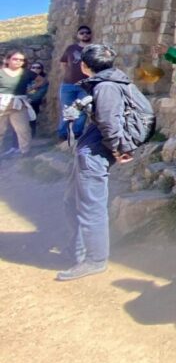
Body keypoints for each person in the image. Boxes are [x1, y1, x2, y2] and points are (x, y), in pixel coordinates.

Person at [58, 44, 136, 282]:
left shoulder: (106, 88)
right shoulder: (107, 84)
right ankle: (81, 250)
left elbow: (110, 124)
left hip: (94, 154)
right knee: (73, 200)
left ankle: (95, 259)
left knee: (91, 206)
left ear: (83, 66)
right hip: (89, 150)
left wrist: (118, 149)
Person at [58, 25, 93, 140]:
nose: (85, 34)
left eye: (87, 32)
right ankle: (63, 134)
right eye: (82, 33)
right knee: (67, 108)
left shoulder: (93, 49)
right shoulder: (71, 48)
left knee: (82, 109)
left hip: (85, 85)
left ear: (90, 35)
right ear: (78, 35)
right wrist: (68, 74)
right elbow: (63, 62)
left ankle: (77, 133)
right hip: (68, 84)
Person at [0, 49, 32, 156]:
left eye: (21, 60)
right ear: (8, 60)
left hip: (19, 103)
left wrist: (31, 90)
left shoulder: (26, 73)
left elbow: (42, 80)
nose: (18, 61)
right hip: (2, 103)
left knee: (23, 129)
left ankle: (25, 153)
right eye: (15, 59)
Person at [25, 61, 49, 136]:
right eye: (33, 67)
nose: (35, 69)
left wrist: (30, 99)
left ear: (41, 69)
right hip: (23, 100)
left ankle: (31, 135)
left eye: (38, 68)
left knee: (32, 117)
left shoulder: (44, 81)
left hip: (34, 102)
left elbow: (41, 93)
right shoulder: (26, 78)